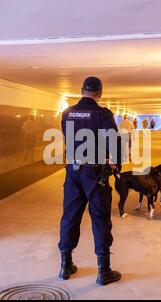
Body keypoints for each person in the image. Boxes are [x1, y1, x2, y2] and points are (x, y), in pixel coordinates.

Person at [58, 76, 122, 286]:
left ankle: (66, 266)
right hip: (95, 173)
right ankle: (104, 271)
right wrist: (117, 164)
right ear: (100, 94)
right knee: (100, 217)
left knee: (69, 216)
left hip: (73, 170)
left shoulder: (67, 113)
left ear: (81, 90)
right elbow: (114, 141)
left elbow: (69, 137)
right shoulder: (102, 113)